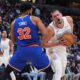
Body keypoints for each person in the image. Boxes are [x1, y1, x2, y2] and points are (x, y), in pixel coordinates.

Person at [0, 2, 53, 80]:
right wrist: (41, 42)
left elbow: (13, 41)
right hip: (35, 49)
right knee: (49, 72)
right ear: (29, 10)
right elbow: (45, 33)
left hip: (21, 51)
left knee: (7, 72)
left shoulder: (13, 22)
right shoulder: (35, 19)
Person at [42, 9, 74, 80]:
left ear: (61, 14)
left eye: (58, 15)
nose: (57, 17)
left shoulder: (69, 19)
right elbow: (43, 44)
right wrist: (58, 43)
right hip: (52, 50)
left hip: (62, 48)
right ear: (52, 18)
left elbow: (70, 32)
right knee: (58, 69)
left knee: (62, 71)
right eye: (54, 16)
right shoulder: (50, 29)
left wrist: (70, 38)